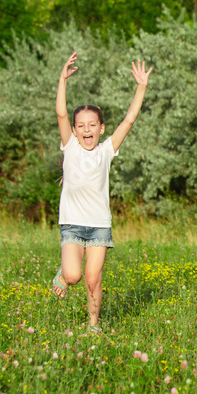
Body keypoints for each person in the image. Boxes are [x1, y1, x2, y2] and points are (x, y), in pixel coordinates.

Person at [50, 51, 151, 335]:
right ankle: (63, 274)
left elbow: (129, 120)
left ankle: (93, 325)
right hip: (72, 223)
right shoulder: (69, 146)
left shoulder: (107, 150)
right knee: (74, 275)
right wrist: (63, 79)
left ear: (101, 128)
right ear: (73, 130)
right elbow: (60, 111)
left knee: (93, 278)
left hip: (99, 227)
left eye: (92, 125)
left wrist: (141, 87)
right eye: (81, 126)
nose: (86, 130)